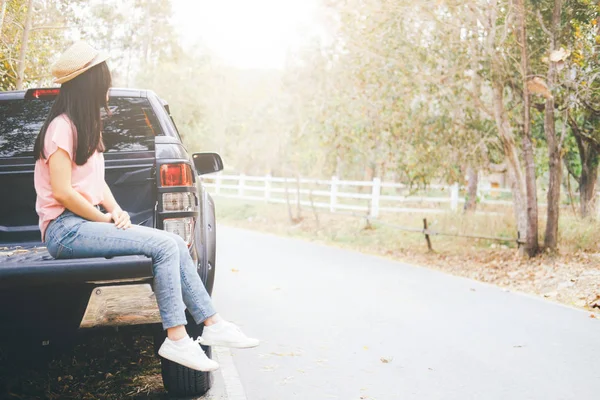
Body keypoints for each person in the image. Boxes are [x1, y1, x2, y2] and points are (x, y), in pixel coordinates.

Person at [33, 41, 258, 372]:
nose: (109, 86)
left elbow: (95, 184)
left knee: (174, 244)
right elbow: (64, 193)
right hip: (64, 230)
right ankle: (177, 338)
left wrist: (116, 210)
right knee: (166, 246)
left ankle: (212, 324)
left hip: (81, 225)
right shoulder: (61, 128)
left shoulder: (84, 128)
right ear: (90, 83)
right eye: (105, 79)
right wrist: (104, 218)